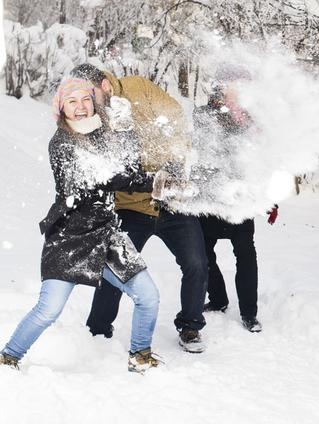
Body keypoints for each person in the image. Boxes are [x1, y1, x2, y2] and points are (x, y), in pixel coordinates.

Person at [0, 78, 160, 373]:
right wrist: (144, 179)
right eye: (72, 102)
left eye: (86, 99)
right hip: (69, 239)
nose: (81, 107)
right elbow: (96, 179)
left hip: (106, 234)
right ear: (61, 108)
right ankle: (8, 356)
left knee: (148, 296)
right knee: (48, 310)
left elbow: (131, 170)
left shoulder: (106, 133)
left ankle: (140, 354)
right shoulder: (60, 143)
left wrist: (128, 135)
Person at [70, 63, 209, 353]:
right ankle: (97, 330)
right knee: (115, 268)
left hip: (172, 202)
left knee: (196, 262)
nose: (87, 102)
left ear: (104, 83)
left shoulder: (138, 87)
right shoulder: (93, 120)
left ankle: (190, 326)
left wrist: (172, 157)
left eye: (90, 93)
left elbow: (174, 117)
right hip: (131, 206)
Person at [192, 67, 273, 333]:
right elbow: (201, 153)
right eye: (232, 86)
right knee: (204, 254)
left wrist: (268, 195)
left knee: (245, 254)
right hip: (211, 197)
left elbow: (263, 161)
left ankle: (249, 313)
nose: (238, 91)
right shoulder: (203, 115)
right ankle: (218, 298)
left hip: (241, 199)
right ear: (221, 88)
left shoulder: (254, 120)